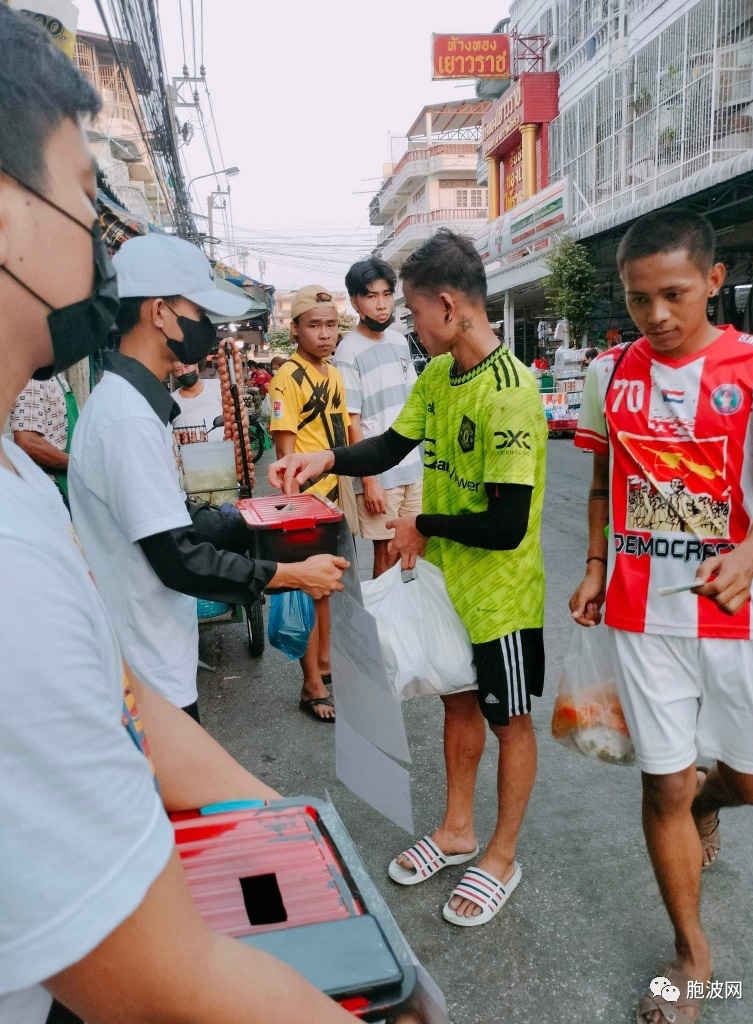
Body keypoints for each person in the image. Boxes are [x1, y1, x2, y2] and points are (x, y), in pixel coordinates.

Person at [0, 10, 370, 1024]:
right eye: (83, 198)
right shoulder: (110, 426)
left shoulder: (39, 461)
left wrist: (270, 817)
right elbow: (165, 979)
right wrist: (283, 571)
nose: (95, 242)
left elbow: (111, 681)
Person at [270, 230, 548, 926]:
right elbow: (392, 444)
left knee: (508, 718)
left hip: (502, 596)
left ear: (449, 306)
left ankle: (502, 854)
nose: (409, 325)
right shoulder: (438, 375)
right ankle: (457, 831)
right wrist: (323, 461)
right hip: (449, 583)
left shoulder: (512, 394)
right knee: (457, 701)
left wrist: (425, 527)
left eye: (415, 312)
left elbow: (507, 525)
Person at [570, 209, 753, 1024]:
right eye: (639, 298)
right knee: (662, 787)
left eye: (674, 295)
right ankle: (691, 959)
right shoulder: (610, 372)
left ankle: (709, 804)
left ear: (714, 282)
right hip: (641, 614)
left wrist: (749, 560)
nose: (656, 315)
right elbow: (601, 483)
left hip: (740, 617)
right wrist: (591, 568)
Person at [68, 234, 348, 720]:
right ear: (160, 313)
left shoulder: (136, 406)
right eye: (199, 312)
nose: (209, 328)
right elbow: (177, 557)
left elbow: (176, 518)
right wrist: (285, 574)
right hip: (147, 671)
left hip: (156, 658)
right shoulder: (126, 419)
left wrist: (259, 522)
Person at [269, 286, 351, 723]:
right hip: (306, 502)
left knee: (326, 591)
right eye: (314, 325)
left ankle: (325, 666)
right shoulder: (288, 377)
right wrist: (295, 509)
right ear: (295, 329)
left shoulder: (333, 375)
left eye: (331, 325)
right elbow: (286, 456)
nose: (324, 334)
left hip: (336, 497)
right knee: (311, 588)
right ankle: (311, 685)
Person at [336, 257, 423, 578]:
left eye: (387, 294)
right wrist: (369, 479)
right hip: (379, 476)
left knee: (414, 551)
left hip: (413, 469)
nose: (382, 305)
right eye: (371, 296)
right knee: (386, 556)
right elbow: (351, 420)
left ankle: (408, 623)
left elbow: (412, 405)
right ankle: (384, 628)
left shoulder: (400, 341)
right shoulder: (348, 350)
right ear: (355, 301)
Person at [9, 372, 77, 502]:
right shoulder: (35, 379)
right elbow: (27, 443)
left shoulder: (53, 374)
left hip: (64, 485)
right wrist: (77, 465)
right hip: (51, 491)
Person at [172, 359, 224, 441]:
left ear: (196, 366)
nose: (184, 372)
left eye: (187, 366)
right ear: (173, 374)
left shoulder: (218, 386)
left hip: (223, 450)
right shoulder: (171, 401)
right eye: (178, 370)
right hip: (188, 452)